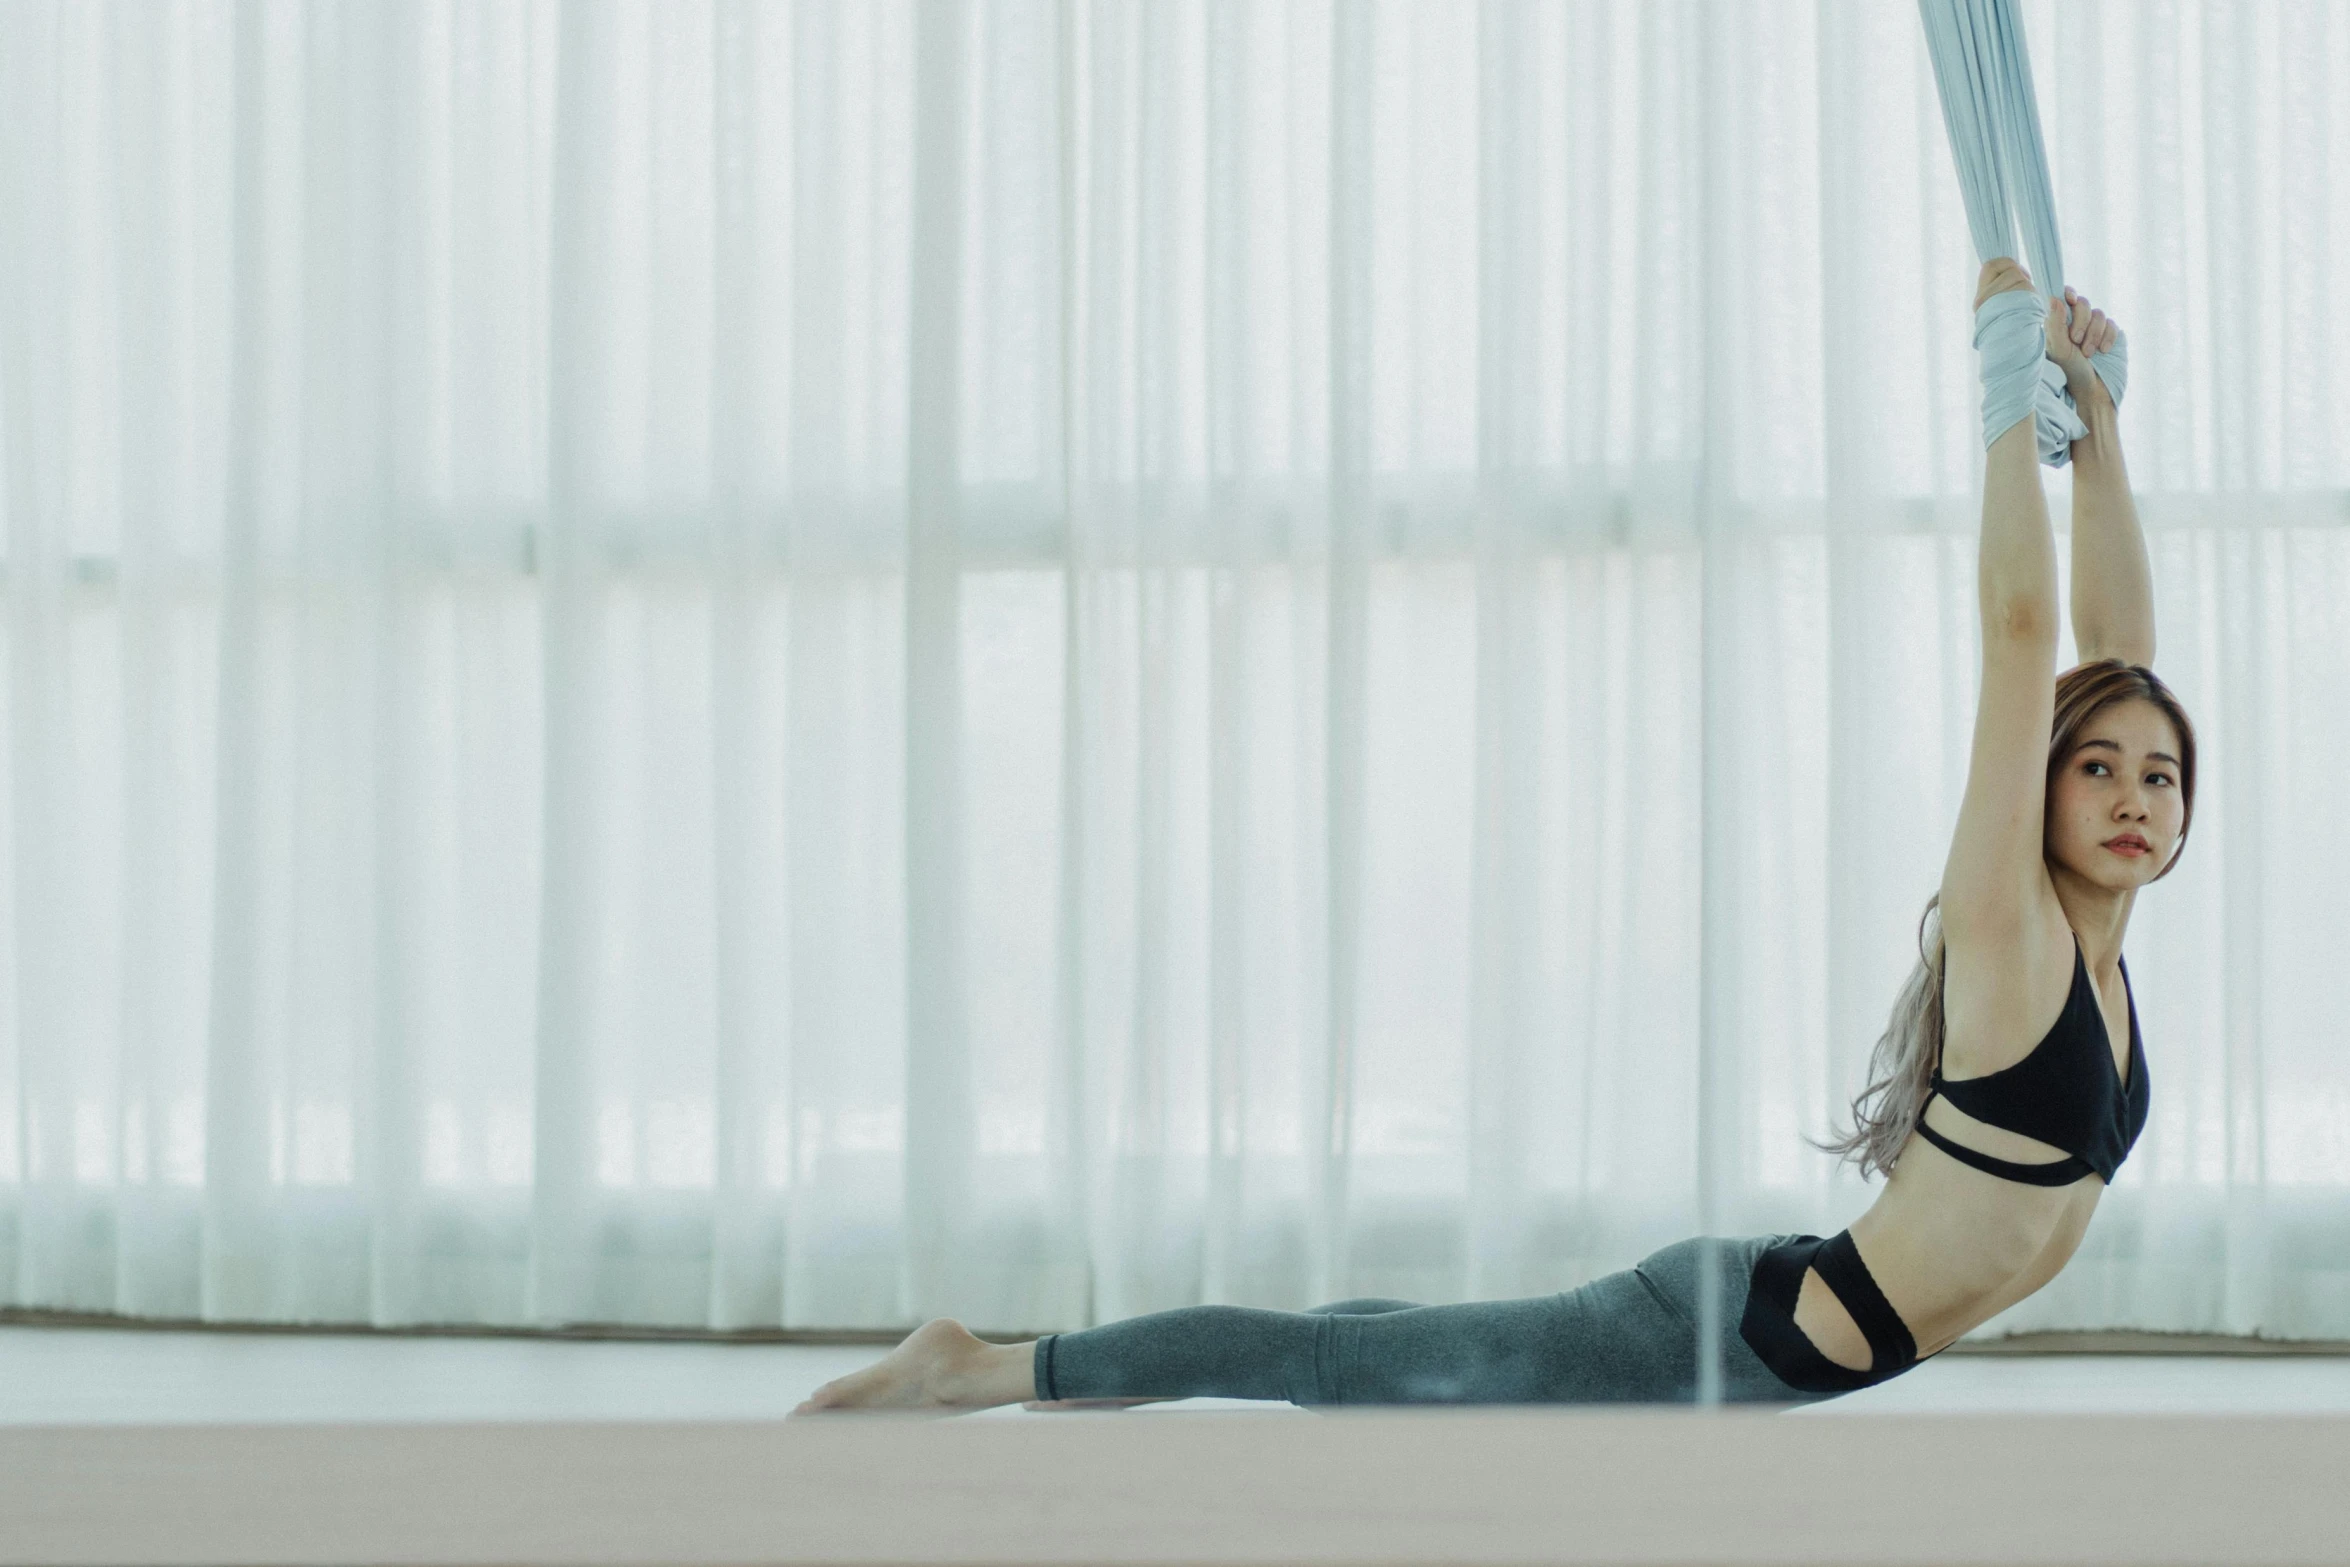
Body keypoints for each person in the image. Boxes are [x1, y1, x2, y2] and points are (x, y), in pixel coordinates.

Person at [787, 258, 2196, 1417]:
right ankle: (974, 1364)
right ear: (2040, 789)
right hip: (1720, 1337)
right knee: (1335, 1367)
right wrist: (2006, 388)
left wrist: (2101, 431)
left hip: (1782, 1308)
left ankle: (1024, 1353)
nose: (2131, 794)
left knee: (1376, 1342)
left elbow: (2113, 650)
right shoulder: (2008, 931)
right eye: (2092, 768)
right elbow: (2027, 637)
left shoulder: (2099, 954)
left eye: (2157, 775)